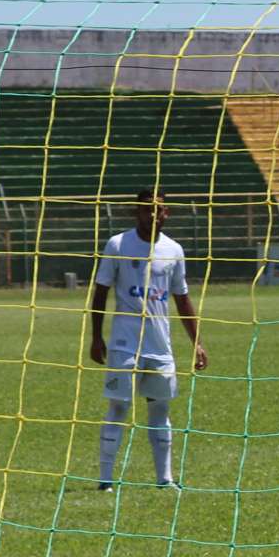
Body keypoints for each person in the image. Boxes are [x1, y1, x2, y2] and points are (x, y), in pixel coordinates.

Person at [87, 187, 206, 490]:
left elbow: (182, 298)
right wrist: (96, 337)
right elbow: (100, 291)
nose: (153, 214)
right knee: (118, 407)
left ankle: (164, 480)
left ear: (167, 213)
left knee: (160, 409)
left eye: (159, 209)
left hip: (159, 345)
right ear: (136, 212)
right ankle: (105, 480)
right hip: (124, 344)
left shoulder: (174, 250)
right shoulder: (117, 245)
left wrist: (197, 342)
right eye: (147, 209)